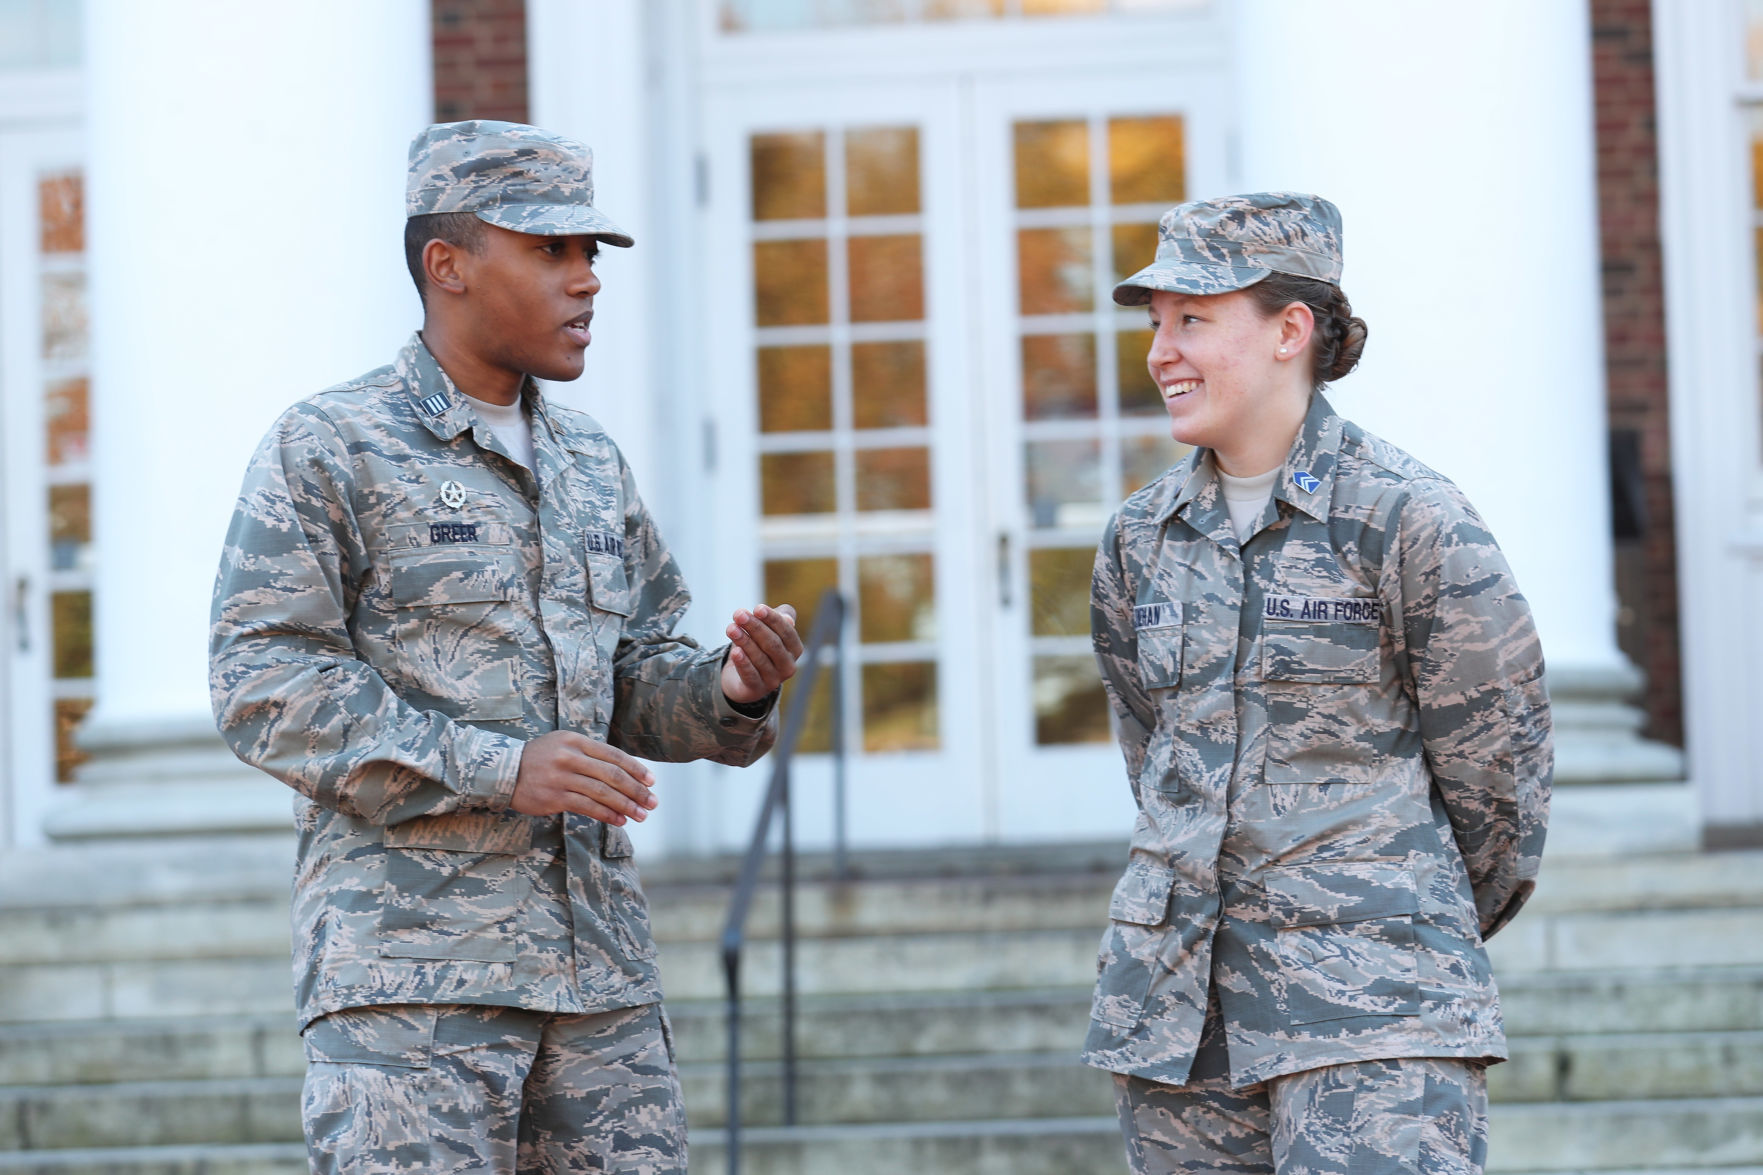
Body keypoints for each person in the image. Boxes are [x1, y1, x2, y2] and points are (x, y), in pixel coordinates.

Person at [209, 120, 803, 1174]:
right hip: (412, 990)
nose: (586, 279)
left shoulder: (590, 459)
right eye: (549, 249)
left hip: (600, 987)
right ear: (448, 265)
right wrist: (501, 767)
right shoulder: (331, 444)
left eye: (590, 252)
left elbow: (628, 675)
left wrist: (727, 689)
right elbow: (264, 682)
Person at [1084, 192, 1551, 1175]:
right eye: (1155, 323)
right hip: (1180, 1024)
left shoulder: (1409, 518)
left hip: (1374, 1013)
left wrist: (1389, 912)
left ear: (1289, 330)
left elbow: (1498, 777)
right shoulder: (1138, 539)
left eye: (1191, 319)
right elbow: (1153, 758)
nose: (1160, 352)